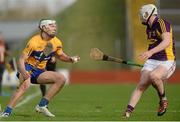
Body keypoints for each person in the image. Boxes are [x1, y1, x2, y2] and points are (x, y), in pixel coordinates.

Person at [0, 19, 80, 117]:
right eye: (51, 25)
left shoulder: (57, 42)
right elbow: (21, 60)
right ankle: (7, 112)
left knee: (61, 79)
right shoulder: (34, 42)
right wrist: (24, 72)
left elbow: (61, 56)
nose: (54, 27)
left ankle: (42, 105)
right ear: (43, 28)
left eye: (55, 25)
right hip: (26, 67)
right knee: (24, 86)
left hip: (40, 71)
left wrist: (70, 59)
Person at [123, 4, 176, 118]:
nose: (141, 16)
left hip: (167, 60)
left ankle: (163, 100)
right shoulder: (149, 27)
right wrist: (149, 54)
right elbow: (153, 45)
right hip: (152, 61)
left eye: (142, 13)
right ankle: (127, 112)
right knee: (142, 85)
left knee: (154, 76)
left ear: (148, 13)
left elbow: (166, 42)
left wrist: (150, 52)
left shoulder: (162, 23)